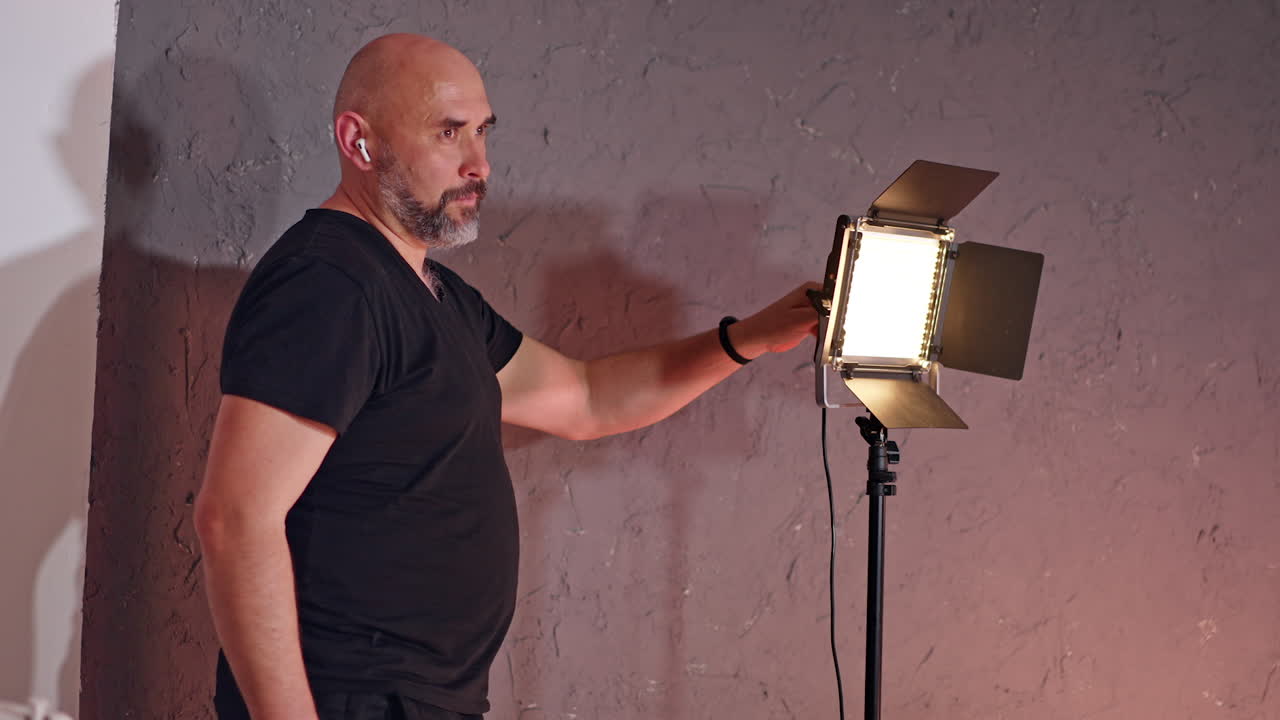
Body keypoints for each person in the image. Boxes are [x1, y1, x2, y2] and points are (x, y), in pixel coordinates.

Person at [193, 33, 818, 720]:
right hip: (351, 696)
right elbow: (236, 519)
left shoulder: (436, 295)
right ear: (359, 142)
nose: (479, 164)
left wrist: (749, 339)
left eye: (483, 132)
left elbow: (587, 399)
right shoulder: (328, 283)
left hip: (423, 701)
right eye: (448, 132)